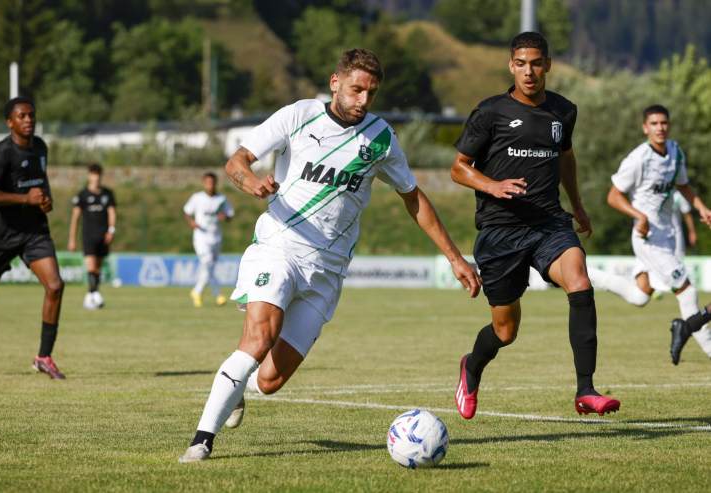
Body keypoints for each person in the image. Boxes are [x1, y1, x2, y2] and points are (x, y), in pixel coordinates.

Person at [179, 48, 481, 463]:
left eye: (371, 93)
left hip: (328, 270)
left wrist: (454, 257)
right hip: (279, 247)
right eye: (356, 89)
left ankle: (240, 389)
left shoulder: (380, 138)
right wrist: (248, 182)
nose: (362, 100)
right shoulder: (299, 115)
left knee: (269, 380)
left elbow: (414, 199)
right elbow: (237, 160)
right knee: (258, 338)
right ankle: (202, 440)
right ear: (335, 82)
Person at [450, 32, 620, 420]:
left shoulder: (563, 111)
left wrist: (577, 205)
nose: (529, 71)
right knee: (505, 332)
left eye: (536, 63)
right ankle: (471, 367)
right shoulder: (490, 112)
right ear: (511, 66)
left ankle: (586, 390)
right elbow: (458, 167)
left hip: (549, 223)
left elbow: (566, 160)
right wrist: (492, 185)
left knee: (579, 280)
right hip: (500, 229)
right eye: (521, 63)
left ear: (548, 65)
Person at [587, 105, 711, 362]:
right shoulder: (638, 159)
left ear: (669, 125)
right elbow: (613, 196)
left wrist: (701, 208)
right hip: (648, 238)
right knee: (687, 292)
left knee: (640, 296)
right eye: (654, 123)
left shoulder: (675, 152)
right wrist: (638, 216)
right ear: (645, 128)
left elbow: (683, 185)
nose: (660, 128)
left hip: (668, 236)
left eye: (663, 123)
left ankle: (587, 273)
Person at [0, 96, 65, 379]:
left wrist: (45, 201)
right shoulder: (1, 153)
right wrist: (26, 198)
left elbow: (41, 185)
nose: (28, 120)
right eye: (22, 116)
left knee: (55, 285)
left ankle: (44, 357)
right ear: (9, 122)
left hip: (34, 231)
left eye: (31, 115)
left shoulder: (40, 148)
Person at [67, 163, 117, 309]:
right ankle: (96, 295)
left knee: (97, 269)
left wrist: (111, 230)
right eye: (93, 175)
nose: (96, 178)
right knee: (91, 266)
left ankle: (90, 297)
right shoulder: (82, 195)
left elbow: (112, 213)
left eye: (98, 175)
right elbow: (75, 218)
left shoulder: (107, 194)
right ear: (89, 176)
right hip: (88, 236)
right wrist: (72, 239)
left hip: (103, 236)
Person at [183, 172, 234, 308]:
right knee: (208, 263)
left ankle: (196, 291)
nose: (210, 185)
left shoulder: (222, 199)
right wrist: (191, 222)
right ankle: (218, 295)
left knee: (209, 267)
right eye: (207, 182)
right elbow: (187, 212)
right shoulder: (197, 198)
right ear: (204, 183)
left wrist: (226, 217)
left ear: (215, 183)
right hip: (201, 237)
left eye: (212, 182)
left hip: (216, 237)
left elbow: (229, 215)